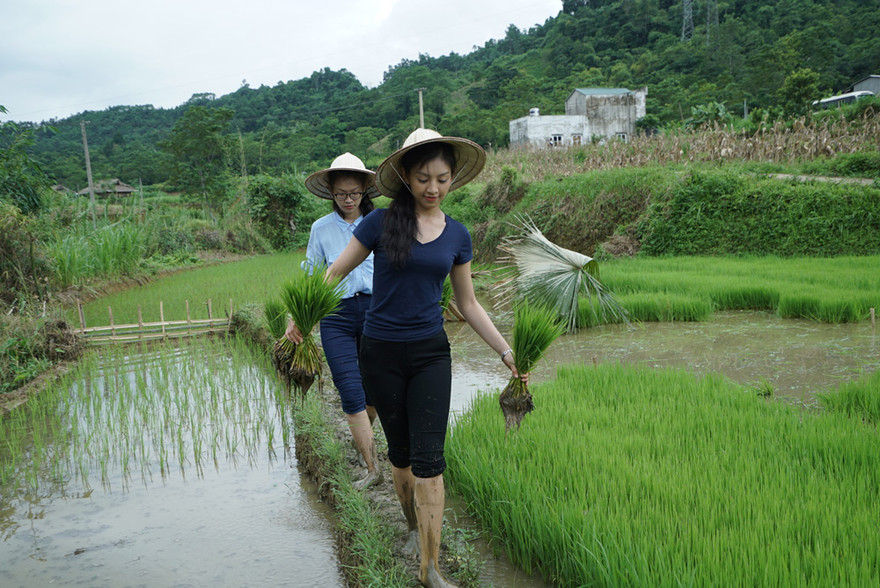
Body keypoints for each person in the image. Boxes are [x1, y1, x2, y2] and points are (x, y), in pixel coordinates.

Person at [291, 129, 524, 588]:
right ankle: (413, 529)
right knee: (400, 458)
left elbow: (469, 303)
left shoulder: (458, 234)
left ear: (453, 178)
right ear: (405, 177)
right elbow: (335, 270)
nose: (432, 188)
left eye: (441, 178)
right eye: (422, 179)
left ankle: (430, 570)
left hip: (430, 354)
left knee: (430, 461)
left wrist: (506, 351)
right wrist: (298, 317)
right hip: (379, 351)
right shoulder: (379, 224)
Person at [298, 152, 382, 490]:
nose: (348, 200)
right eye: (341, 194)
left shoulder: (379, 224)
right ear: (330, 192)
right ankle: (372, 467)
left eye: (354, 193)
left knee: (374, 391)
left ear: (365, 190)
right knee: (349, 390)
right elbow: (309, 274)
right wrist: (296, 315)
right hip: (337, 316)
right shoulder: (321, 229)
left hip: (378, 313)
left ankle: (363, 435)